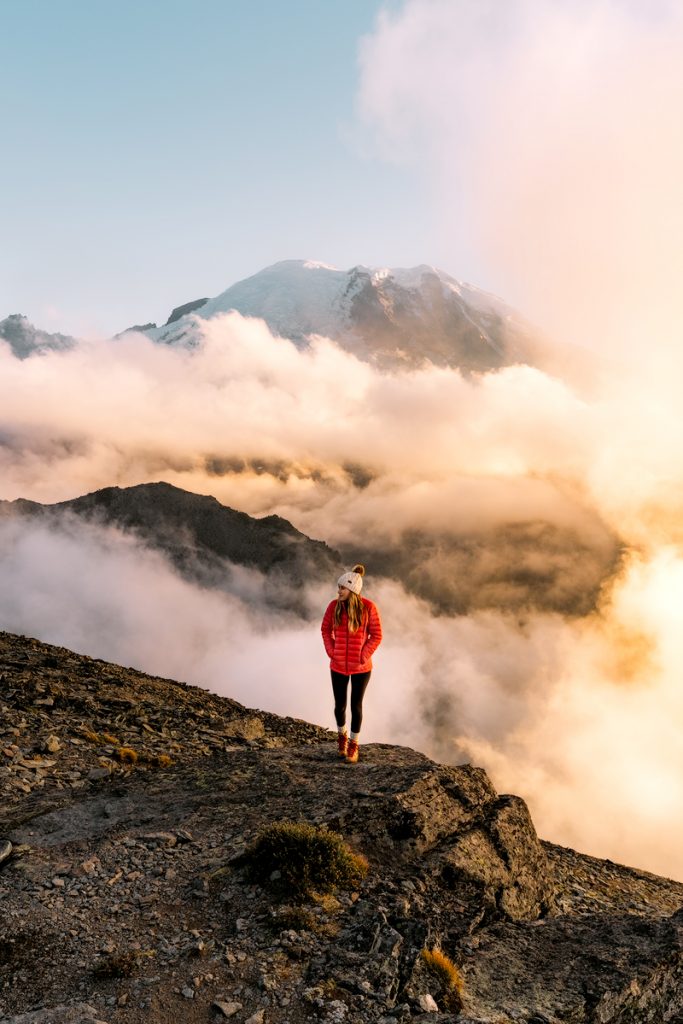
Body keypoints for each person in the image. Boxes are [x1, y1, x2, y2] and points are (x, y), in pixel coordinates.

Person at [320, 564, 382, 764]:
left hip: (361, 668)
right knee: (339, 706)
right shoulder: (334, 606)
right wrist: (332, 652)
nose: (338, 591)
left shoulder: (368, 608)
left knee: (356, 706)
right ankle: (342, 738)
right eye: (338, 588)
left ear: (352, 590)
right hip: (337, 665)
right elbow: (325, 630)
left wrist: (363, 656)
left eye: (342, 588)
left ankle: (353, 746)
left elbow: (376, 635)